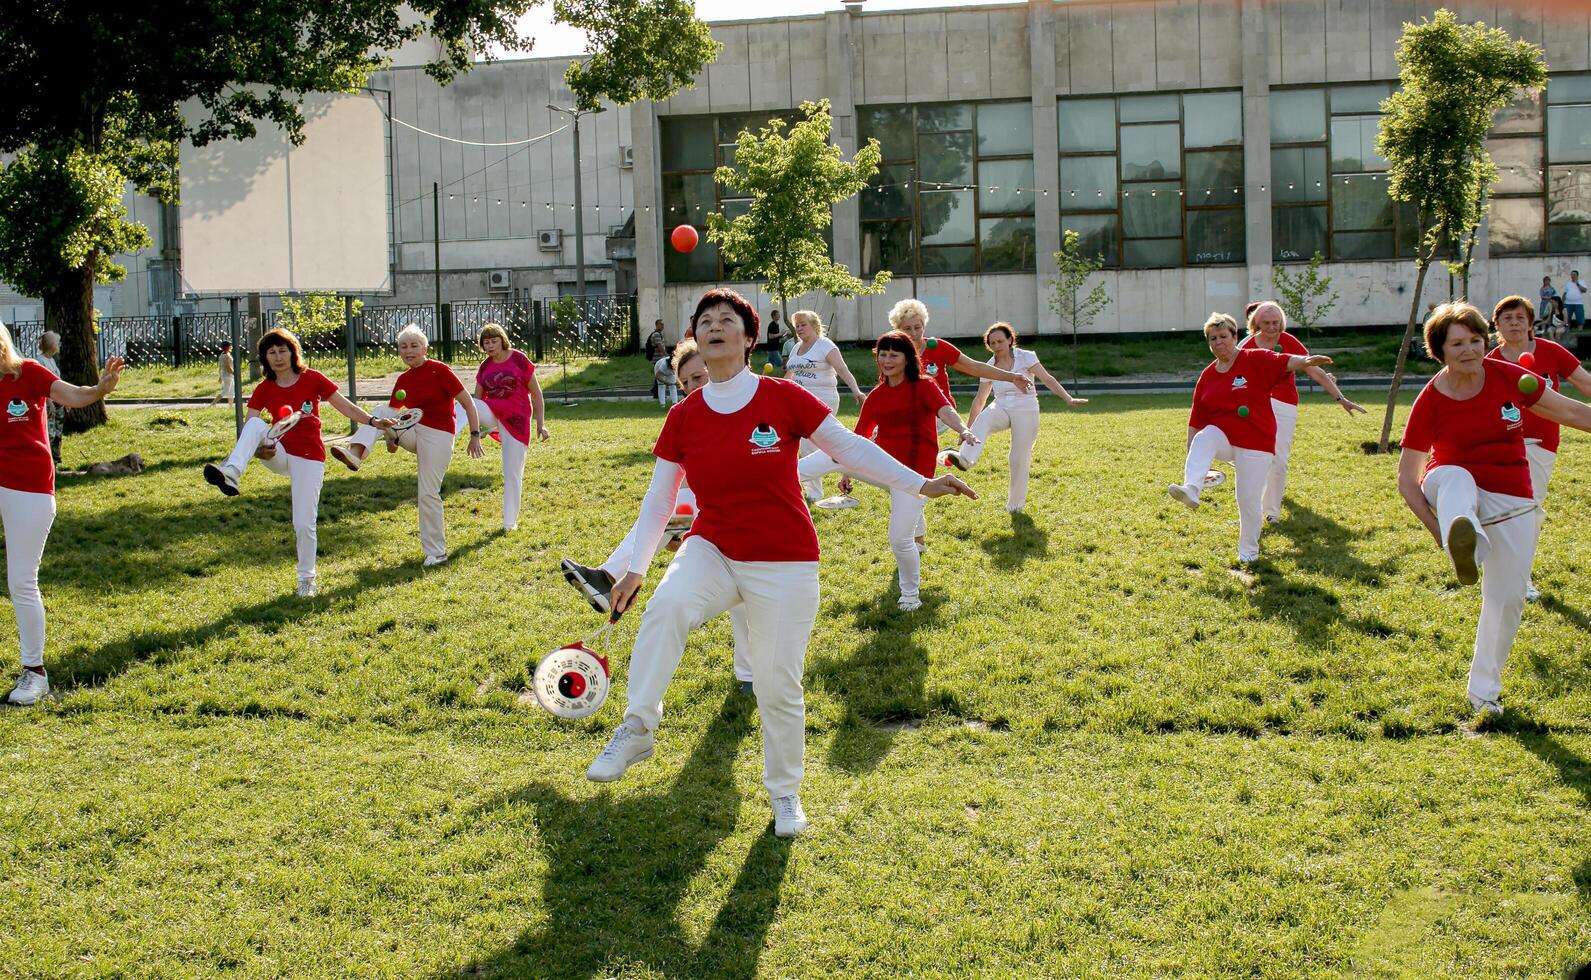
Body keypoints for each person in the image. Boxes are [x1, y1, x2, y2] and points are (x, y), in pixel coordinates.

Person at [584, 288, 976, 838]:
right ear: (695, 337)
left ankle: (785, 793)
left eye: (728, 320)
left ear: (749, 340)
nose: (715, 326)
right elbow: (657, 500)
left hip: (785, 559)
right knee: (666, 606)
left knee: (778, 686)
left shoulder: (783, 397)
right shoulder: (684, 416)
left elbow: (848, 448)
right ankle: (639, 726)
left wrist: (921, 482)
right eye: (705, 320)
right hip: (714, 548)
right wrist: (635, 570)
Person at [1398, 302, 1591, 720]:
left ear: (1485, 342)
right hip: (1448, 486)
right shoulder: (1430, 399)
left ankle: (1483, 692)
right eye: (1457, 344)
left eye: (1474, 340)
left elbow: (1570, 411)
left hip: (1512, 494)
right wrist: (1437, 531)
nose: (1468, 350)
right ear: (1440, 351)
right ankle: (1460, 537)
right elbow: (1407, 480)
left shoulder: (1510, 378)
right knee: (1456, 479)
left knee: (1507, 599)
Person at [559, 341, 758, 694]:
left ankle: (749, 675)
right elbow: (667, 495)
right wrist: (674, 536)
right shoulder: (686, 420)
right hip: (709, 520)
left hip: (758, 521)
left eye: (699, 376)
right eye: (686, 384)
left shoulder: (753, 403)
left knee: (747, 602)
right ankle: (609, 576)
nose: (693, 387)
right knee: (675, 510)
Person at [798, 330, 979, 611]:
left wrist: (964, 429)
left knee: (900, 540)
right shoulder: (877, 396)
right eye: (883, 354)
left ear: (908, 358)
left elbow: (945, 411)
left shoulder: (924, 386)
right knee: (835, 454)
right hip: (880, 467)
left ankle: (910, 596)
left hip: (912, 475)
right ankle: (779, 475)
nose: (888, 359)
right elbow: (855, 439)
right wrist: (846, 474)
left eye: (894, 354)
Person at [202, 329, 391, 596]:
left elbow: (345, 406)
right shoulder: (264, 388)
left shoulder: (312, 378)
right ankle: (231, 472)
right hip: (276, 451)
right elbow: (250, 427)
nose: (278, 357)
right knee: (256, 424)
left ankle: (306, 580)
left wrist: (373, 422)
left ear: (293, 352)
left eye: (283, 350)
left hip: (310, 457)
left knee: (303, 522)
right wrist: (258, 451)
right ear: (264, 359)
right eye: (272, 352)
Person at [0, 322, 123, 706]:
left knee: (21, 582)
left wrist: (100, 389)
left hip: (28, 487)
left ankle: (34, 674)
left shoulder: (29, 373)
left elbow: (74, 395)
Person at [1167, 312, 1334, 565]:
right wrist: (1193, 453)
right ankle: (1192, 488)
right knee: (1205, 436)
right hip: (1225, 439)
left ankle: (1248, 552)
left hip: (1257, 441)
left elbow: (1283, 361)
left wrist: (1305, 361)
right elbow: (1196, 418)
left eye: (1223, 336)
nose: (1218, 342)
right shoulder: (1208, 375)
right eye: (1213, 338)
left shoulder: (1253, 358)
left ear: (1235, 337)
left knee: (1247, 499)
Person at [331, 325, 482, 567]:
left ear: (424, 348)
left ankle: (437, 552)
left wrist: (474, 434)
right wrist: (391, 436)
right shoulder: (403, 379)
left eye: (413, 346)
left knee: (427, 493)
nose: (408, 350)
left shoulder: (440, 370)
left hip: (439, 436)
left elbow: (468, 403)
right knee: (381, 411)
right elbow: (389, 418)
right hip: (412, 430)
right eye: (403, 346)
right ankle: (356, 454)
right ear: (399, 351)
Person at [1484, 294, 1591, 602]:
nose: (1514, 323)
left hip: (1542, 445)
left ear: (1531, 324)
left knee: (1529, 510)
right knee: (1508, 511)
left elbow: (1584, 383)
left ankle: (1519, 576)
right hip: (1503, 446)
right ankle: (1509, 574)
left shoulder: (1550, 351)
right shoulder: (1490, 361)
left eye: (1520, 318)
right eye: (1507, 318)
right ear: (1497, 325)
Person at [1234, 301, 1367, 523]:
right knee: (1255, 457)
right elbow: (1235, 380)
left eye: (1275, 323)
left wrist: (1340, 398)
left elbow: (1317, 372)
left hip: (1284, 404)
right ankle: (1253, 509)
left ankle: (1271, 512)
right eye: (1266, 323)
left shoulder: (1289, 342)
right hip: (1255, 406)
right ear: (1256, 323)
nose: (1271, 328)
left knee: (1279, 460)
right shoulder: (1246, 346)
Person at [943, 322, 1088, 513]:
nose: (996, 345)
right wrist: (966, 430)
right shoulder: (989, 366)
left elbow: (1047, 378)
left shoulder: (1026, 357)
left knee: (1018, 458)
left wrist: (1067, 398)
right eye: (992, 343)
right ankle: (965, 458)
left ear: (1010, 340)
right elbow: (980, 399)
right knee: (984, 418)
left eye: (1000, 341)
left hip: (1026, 407)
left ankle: (1015, 506)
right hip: (1001, 405)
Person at [462, 322, 548, 533]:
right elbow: (476, 401)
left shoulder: (518, 359)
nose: (490, 346)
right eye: (486, 342)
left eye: (494, 341)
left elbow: (536, 394)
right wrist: (477, 429)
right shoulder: (485, 367)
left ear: (502, 340)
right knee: (462, 404)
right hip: (493, 414)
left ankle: (510, 523)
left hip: (516, 420)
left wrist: (541, 424)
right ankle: (441, 437)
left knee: (512, 473)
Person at [783, 310, 865, 499]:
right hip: (800, 401)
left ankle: (815, 493)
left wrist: (856, 390)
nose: (799, 328)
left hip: (823, 399)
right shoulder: (796, 348)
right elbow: (790, 375)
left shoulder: (825, 345)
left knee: (808, 443)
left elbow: (842, 369)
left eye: (803, 324)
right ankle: (843, 464)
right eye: (797, 326)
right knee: (819, 443)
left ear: (814, 326)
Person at [35, 332, 63, 466]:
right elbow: (41, 384)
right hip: (49, 403)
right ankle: (48, 463)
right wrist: (49, 402)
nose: (59, 345)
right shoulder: (39, 361)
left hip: (59, 402)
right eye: (57, 343)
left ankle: (56, 462)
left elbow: (58, 381)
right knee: (50, 434)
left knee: (58, 433)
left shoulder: (52, 360)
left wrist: (65, 400)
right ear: (51, 345)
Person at [644, 319, 668, 400]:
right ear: (656, 325)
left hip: (659, 358)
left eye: (663, 324)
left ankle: (656, 392)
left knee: (658, 375)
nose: (662, 326)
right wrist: (666, 356)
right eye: (661, 324)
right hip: (658, 358)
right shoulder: (656, 334)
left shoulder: (659, 334)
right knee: (659, 375)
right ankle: (656, 391)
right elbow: (660, 346)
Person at [212, 342, 235, 406]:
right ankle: (213, 403)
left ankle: (230, 406)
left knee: (231, 391)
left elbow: (220, 366)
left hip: (224, 375)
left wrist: (220, 376)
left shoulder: (221, 355)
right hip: (228, 376)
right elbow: (228, 367)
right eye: (230, 346)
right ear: (227, 347)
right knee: (226, 391)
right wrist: (234, 373)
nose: (231, 347)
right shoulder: (227, 355)